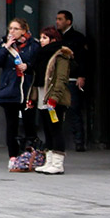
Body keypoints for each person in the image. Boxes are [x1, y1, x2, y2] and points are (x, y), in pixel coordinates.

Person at [0, 19, 40, 172]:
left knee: (29, 124)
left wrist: (28, 66)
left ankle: (28, 155)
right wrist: (6, 47)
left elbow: (39, 64)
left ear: (24, 30)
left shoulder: (33, 46)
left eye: (16, 29)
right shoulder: (3, 45)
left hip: (27, 91)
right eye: (10, 28)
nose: (12, 32)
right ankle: (13, 156)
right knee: (11, 126)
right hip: (10, 91)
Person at [34, 43, 76, 175]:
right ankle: (49, 161)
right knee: (47, 129)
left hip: (55, 98)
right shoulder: (41, 55)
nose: (42, 40)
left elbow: (61, 79)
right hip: (43, 96)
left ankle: (58, 163)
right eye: (41, 37)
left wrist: (55, 97)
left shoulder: (61, 56)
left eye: (45, 37)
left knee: (55, 128)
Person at [55, 10, 92, 151]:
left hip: (72, 78)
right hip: (58, 78)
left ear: (68, 21)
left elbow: (83, 59)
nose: (57, 21)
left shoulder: (78, 38)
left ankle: (79, 141)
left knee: (73, 109)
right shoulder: (56, 37)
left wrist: (81, 76)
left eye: (60, 19)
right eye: (57, 19)